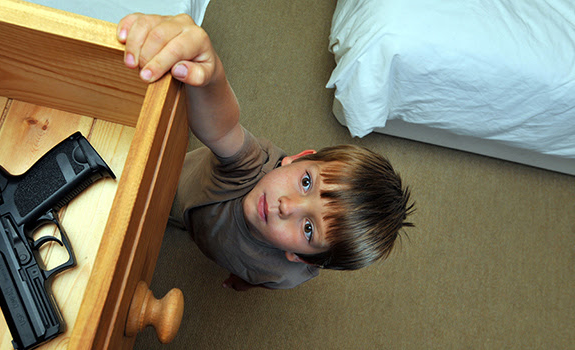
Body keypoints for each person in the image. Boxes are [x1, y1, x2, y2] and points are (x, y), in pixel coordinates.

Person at [116, 13, 415, 291]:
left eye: (309, 229)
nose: (288, 206)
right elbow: (223, 129)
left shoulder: (286, 275)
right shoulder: (253, 165)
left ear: (302, 258)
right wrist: (211, 75)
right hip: (179, 183)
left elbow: (264, 278)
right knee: (156, 203)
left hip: (212, 237)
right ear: (298, 158)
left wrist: (245, 280)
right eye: (306, 182)